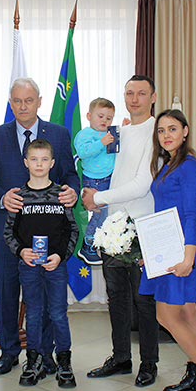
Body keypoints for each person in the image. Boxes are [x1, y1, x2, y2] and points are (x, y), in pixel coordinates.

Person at [0, 77, 79, 375]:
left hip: (49, 231)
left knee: (45, 298)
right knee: (8, 292)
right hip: (9, 231)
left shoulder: (58, 134)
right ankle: (9, 351)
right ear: (11, 103)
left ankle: (44, 354)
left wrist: (72, 191)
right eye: (17, 101)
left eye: (29, 100)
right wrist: (2, 196)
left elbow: (70, 175)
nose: (23, 106)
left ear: (39, 102)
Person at [82, 75, 160, 388]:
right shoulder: (119, 132)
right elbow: (98, 167)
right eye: (129, 93)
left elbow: (142, 184)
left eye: (141, 93)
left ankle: (149, 362)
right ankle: (121, 357)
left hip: (141, 224)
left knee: (144, 299)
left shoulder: (156, 131)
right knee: (116, 297)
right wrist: (93, 196)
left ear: (153, 97)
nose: (134, 99)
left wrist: (98, 198)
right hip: (113, 226)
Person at [141, 109, 196, 391]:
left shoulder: (189, 166)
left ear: (185, 131)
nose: (166, 135)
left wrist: (188, 257)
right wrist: (151, 251)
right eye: (161, 130)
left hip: (181, 248)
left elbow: (191, 214)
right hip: (166, 247)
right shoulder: (169, 164)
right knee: (187, 312)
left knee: (165, 314)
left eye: (172, 129)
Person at [4, 139, 79, 387]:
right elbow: (9, 233)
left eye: (44, 159)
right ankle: (33, 360)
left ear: (52, 163)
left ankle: (64, 361)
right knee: (34, 313)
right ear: (26, 162)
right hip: (29, 267)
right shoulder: (18, 197)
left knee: (58, 313)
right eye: (34, 159)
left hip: (56, 266)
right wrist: (21, 252)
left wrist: (61, 256)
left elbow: (72, 231)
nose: (39, 164)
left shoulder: (61, 195)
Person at [74, 97, 116, 266]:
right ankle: (88, 245)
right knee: (100, 214)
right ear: (89, 116)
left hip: (110, 178)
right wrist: (101, 142)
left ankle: (99, 242)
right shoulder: (85, 134)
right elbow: (83, 152)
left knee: (108, 214)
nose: (104, 120)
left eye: (109, 118)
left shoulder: (111, 133)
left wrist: (126, 129)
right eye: (100, 116)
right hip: (94, 181)